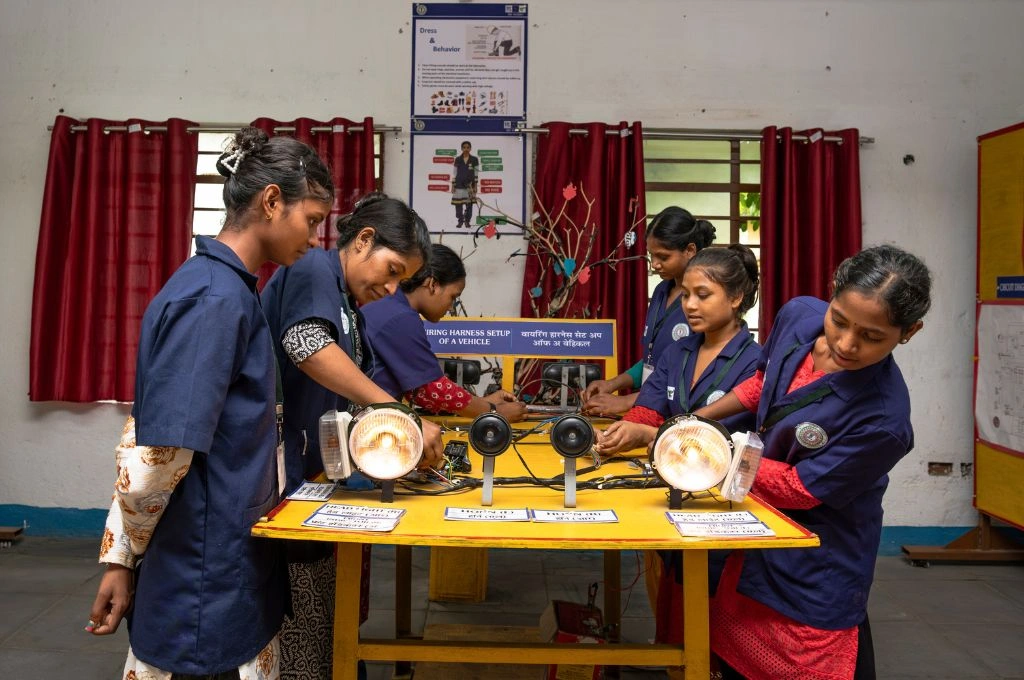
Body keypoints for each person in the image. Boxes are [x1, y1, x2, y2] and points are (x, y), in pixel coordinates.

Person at [88, 127, 336, 680]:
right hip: (203, 574)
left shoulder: (230, 291)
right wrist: (121, 557)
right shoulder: (212, 299)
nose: (316, 240)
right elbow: (154, 456)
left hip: (226, 555)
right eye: (313, 221)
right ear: (272, 201)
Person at [694, 244, 931, 680]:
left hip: (817, 556)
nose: (846, 343)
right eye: (839, 320)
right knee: (731, 654)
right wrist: (694, 422)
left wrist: (710, 452)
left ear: (909, 332)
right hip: (751, 531)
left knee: (805, 658)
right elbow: (765, 382)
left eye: (872, 336)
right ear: (831, 294)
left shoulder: (884, 419)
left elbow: (800, 489)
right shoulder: (799, 315)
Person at [261, 192, 441, 680]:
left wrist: (395, 428)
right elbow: (306, 345)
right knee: (297, 621)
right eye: (392, 269)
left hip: (311, 478)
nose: (390, 287)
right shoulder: (314, 270)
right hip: (280, 480)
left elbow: (351, 394)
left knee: (323, 617)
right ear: (364, 240)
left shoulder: (347, 304)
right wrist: (396, 410)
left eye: (401, 280)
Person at [362, 243, 528, 421]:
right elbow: (433, 389)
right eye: (453, 297)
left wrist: (484, 404)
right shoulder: (400, 317)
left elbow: (419, 393)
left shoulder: (390, 306)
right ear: (432, 284)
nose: (451, 307)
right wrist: (496, 413)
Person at [583, 207, 716, 416]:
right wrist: (613, 383)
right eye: (651, 256)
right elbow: (653, 360)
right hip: (649, 406)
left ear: (690, 250)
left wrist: (626, 402)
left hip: (678, 415)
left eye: (663, 257)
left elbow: (689, 377)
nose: (654, 265)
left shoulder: (703, 305)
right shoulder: (661, 291)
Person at [451, 141, 478, 229]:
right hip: (458, 185)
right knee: (458, 205)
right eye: (464, 147)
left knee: (469, 205)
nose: (466, 149)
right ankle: (460, 220)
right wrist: (453, 185)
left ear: (470, 149)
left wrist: (475, 186)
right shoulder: (458, 159)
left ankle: (467, 221)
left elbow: (476, 173)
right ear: (462, 148)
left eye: (468, 147)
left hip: (470, 186)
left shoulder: (474, 159)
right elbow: (454, 173)